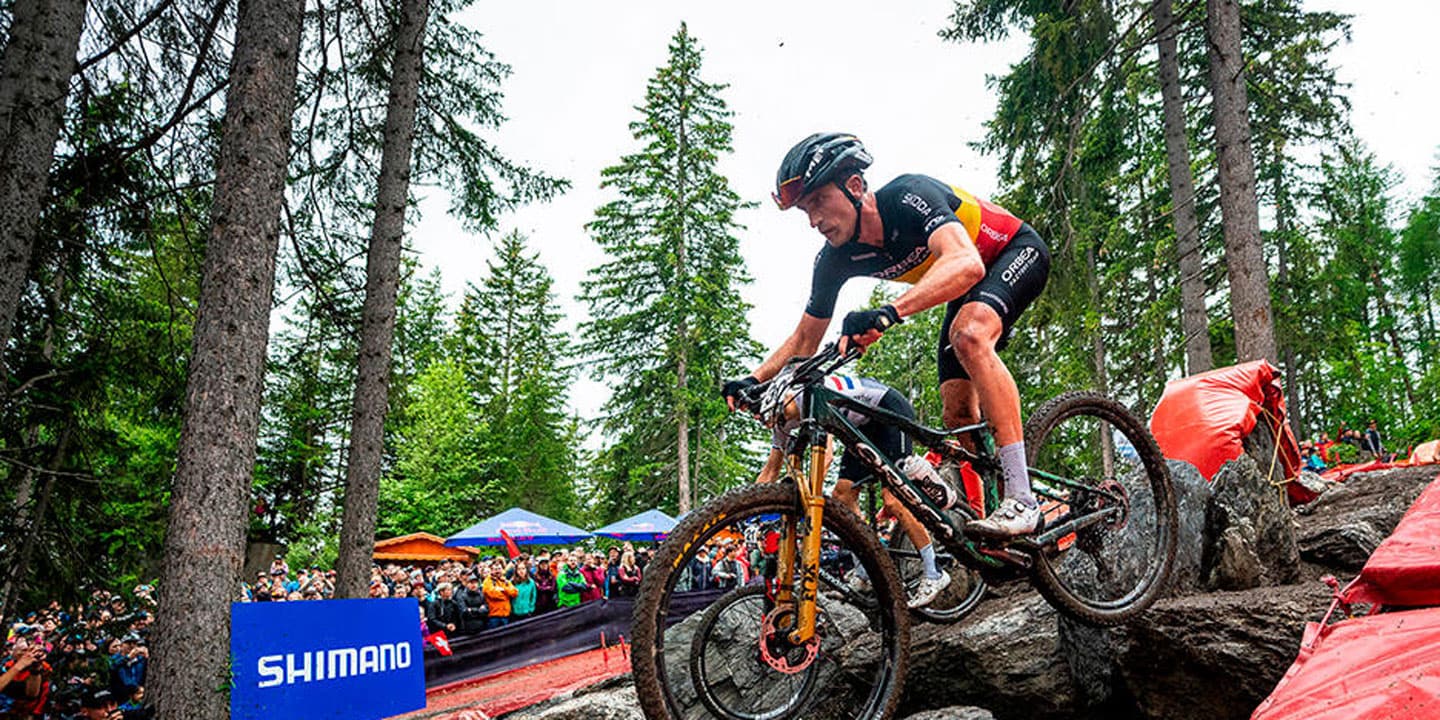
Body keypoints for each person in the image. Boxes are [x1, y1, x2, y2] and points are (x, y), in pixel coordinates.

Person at [723, 133, 1050, 539]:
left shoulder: (909, 196)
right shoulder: (834, 257)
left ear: (855, 187)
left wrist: (887, 313)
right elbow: (805, 337)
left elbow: (966, 263)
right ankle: (986, 532)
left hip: (1012, 253)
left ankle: (1023, 498)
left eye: (819, 201)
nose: (813, 220)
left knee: (968, 334)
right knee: (959, 416)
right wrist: (754, 380)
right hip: (965, 285)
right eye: (805, 211)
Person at [754, 361, 954, 607]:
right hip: (862, 427)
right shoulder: (780, 418)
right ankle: (863, 572)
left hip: (888, 410)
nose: (779, 424)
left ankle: (934, 571)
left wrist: (811, 504)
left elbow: (824, 456)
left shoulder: (808, 396)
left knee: (893, 500)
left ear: (783, 399)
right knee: (843, 495)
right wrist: (749, 516)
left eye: (780, 417)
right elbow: (770, 471)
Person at [481, 563, 518, 629]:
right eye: (495, 569)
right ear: (491, 570)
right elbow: (493, 594)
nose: (498, 571)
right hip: (494, 616)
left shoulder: (505, 581)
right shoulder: (487, 581)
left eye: (499, 568)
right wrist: (507, 595)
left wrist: (503, 590)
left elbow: (514, 593)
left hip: (506, 615)